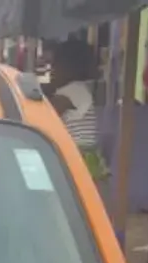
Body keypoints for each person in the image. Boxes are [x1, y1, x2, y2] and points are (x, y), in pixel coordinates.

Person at [46, 40, 107, 183]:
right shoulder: (77, 89)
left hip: (79, 155)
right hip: (82, 154)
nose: (52, 70)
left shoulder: (74, 90)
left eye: (56, 66)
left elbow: (48, 111)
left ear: (71, 68)